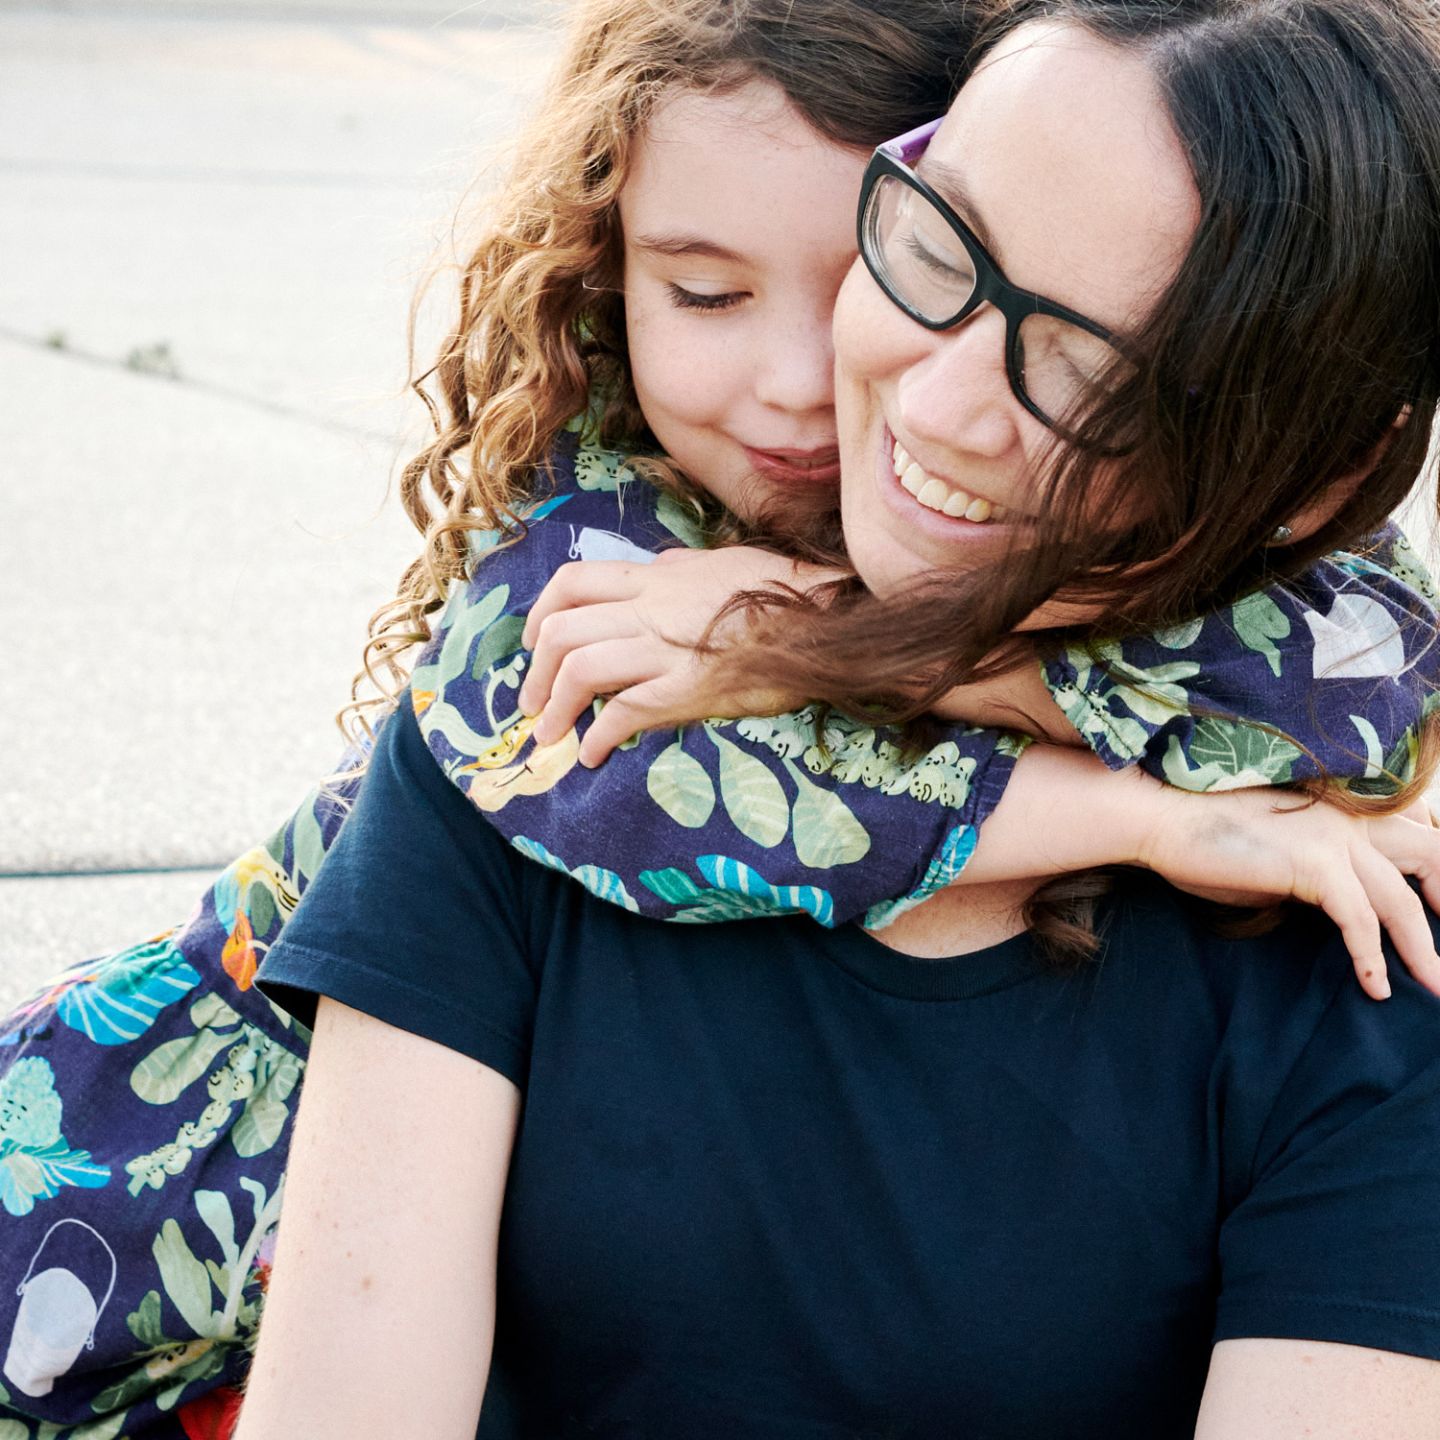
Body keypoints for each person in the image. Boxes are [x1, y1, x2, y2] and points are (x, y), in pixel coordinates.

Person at [4, 0, 1440, 1434]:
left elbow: (1364, 672)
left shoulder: (1351, 924)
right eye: (937, 251)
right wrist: (1135, 805)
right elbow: (705, 798)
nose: (889, 396)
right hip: (104, 1183)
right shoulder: (579, 615)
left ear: (1314, 475)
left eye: (1091, 373)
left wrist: (816, 643)